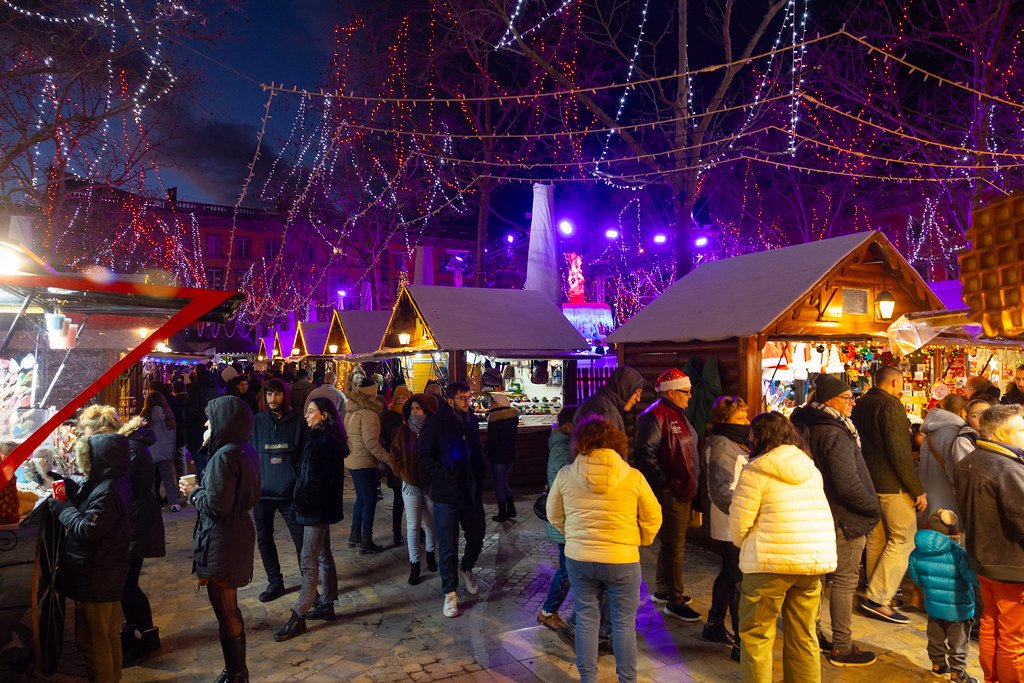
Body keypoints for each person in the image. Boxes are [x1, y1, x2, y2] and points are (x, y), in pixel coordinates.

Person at [547, 416, 662, 683]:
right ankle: (627, 680)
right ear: (617, 443)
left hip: (580, 558)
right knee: (623, 624)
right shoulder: (633, 477)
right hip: (622, 560)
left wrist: (573, 535)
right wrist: (639, 539)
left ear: (579, 443)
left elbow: (553, 514)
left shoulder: (566, 475)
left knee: (587, 620)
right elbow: (653, 516)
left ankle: (588, 679)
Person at [730, 412, 837, 683]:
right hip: (810, 565)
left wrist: (746, 544)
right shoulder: (810, 469)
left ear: (758, 438)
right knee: (803, 635)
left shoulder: (755, 471)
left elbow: (739, 524)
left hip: (768, 565)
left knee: (756, 636)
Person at [790, 375, 881, 667]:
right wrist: (872, 507)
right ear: (829, 401)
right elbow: (847, 483)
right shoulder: (833, 431)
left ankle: (812, 636)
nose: (852, 402)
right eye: (846, 398)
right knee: (843, 581)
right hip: (843, 517)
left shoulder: (808, 425)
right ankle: (841, 646)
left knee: (817, 580)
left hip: (820, 513)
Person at [179, 395, 260, 683]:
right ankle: (236, 671)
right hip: (237, 532)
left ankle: (236, 673)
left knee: (225, 609)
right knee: (229, 607)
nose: (205, 424)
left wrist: (194, 491)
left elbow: (217, 506)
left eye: (209, 419)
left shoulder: (224, 455)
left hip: (224, 539)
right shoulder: (244, 450)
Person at [77, 404, 166, 664]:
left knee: (127, 584)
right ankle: (136, 633)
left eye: (89, 436)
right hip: (134, 522)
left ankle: (146, 639)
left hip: (136, 525)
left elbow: (127, 491)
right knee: (127, 584)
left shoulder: (130, 450)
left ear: (104, 431)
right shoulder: (127, 447)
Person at [51, 433, 133, 683]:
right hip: (108, 572)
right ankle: (113, 677)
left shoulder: (108, 489)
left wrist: (64, 510)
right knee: (107, 635)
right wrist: (70, 486)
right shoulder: (114, 480)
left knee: (93, 641)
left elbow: (89, 529)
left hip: (96, 574)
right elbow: (94, 505)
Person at [954, 404, 1024, 683]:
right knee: (1013, 638)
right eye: (1020, 430)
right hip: (1011, 565)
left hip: (983, 560)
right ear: (1000, 434)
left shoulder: (969, 461)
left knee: (991, 625)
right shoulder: (1006, 468)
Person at [851, 365, 924, 624]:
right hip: (891, 484)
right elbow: (900, 452)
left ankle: (877, 590)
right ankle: (878, 598)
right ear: (894, 383)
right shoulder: (891, 406)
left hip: (869, 481)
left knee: (877, 539)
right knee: (904, 538)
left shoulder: (861, 404)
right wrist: (917, 489)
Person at [274, 397, 348, 641]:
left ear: (324, 415)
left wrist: (301, 504)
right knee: (323, 554)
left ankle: (298, 614)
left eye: (311, 411)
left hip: (314, 509)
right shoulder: (323, 438)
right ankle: (327, 604)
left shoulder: (323, 442)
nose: (306, 415)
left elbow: (314, 481)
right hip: (320, 507)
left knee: (309, 560)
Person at [633, 368, 701, 622]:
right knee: (676, 546)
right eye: (686, 392)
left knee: (673, 543)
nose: (690, 396)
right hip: (671, 490)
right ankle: (674, 599)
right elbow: (645, 454)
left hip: (680, 487)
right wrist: (666, 483)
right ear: (671, 392)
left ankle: (664, 589)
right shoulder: (655, 416)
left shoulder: (676, 413)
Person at [417, 381, 487, 618]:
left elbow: (476, 450)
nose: (468, 402)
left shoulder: (471, 421)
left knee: (477, 535)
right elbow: (424, 456)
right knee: (448, 544)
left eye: (469, 397)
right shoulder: (435, 424)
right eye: (463, 398)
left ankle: (467, 567)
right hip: (447, 492)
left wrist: (480, 471)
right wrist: (442, 473)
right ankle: (450, 592)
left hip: (471, 489)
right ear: (450, 401)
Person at [703, 395, 750, 662]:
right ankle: (741, 643)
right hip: (731, 521)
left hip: (735, 519)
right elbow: (722, 489)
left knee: (729, 575)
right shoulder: (722, 444)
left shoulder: (733, 441)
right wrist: (744, 512)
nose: (746, 421)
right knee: (739, 580)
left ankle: (714, 624)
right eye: (740, 417)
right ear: (725, 419)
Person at [251, 378, 306, 602]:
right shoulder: (257, 421)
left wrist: (298, 483)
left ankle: (309, 581)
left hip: (289, 493)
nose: (273, 398)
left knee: (301, 540)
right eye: (269, 394)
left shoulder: (298, 421)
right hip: (262, 494)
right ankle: (275, 582)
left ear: (285, 395)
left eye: (277, 394)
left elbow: (303, 456)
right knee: (264, 539)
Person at [908, 509, 979, 683]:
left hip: (933, 606)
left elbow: (916, 578)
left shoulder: (916, 553)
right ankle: (957, 675)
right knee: (959, 642)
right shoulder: (958, 554)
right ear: (954, 532)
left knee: (935, 638)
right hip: (958, 609)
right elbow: (972, 578)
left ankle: (938, 666)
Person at [390, 393, 440, 585]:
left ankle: (430, 554)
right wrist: (403, 472)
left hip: (429, 484)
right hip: (410, 485)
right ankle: (415, 564)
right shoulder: (404, 430)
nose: (415, 411)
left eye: (419, 408)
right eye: (413, 408)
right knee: (412, 525)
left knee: (430, 523)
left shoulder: (433, 430)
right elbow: (394, 454)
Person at [537, 405, 578, 633]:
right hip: (565, 519)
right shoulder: (563, 448)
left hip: (566, 517)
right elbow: (567, 484)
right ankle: (548, 611)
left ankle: (550, 611)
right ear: (570, 426)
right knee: (567, 569)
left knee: (569, 568)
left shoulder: (562, 445)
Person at [344, 377, 390, 554]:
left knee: (361, 498)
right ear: (371, 395)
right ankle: (366, 540)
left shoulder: (351, 410)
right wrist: (388, 459)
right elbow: (372, 443)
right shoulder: (370, 414)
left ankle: (355, 536)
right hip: (364, 463)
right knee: (369, 499)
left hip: (352, 461)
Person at [918, 394, 968, 519]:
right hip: (947, 498)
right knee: (947, 533)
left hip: (928, 491)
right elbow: (953, 470)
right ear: (961, 411)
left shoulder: (930, 431)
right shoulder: (953, 432)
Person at [381, 385, 411, 546]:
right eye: (398, 398)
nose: (400, 401)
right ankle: (397, 532)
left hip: (412, 464)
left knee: (414, 500)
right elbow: (390, 435)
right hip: (398, 463)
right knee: (399, 500)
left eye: (403, 398)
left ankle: (416, 530)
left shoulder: (413, 413)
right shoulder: (390, 415)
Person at [141, 391, 181, 512]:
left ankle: (152, 504)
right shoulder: (168, 415)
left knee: (151, 481)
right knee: (168, 479)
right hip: (165, 453)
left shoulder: (145, 416)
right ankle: (174, 503)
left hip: (150, 453)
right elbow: (173, 436)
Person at [574, 367, 644, 432]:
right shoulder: (606, 412)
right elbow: (607, 445)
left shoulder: (599, 402)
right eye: (636, 393)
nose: (638, 399)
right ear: (624, 388)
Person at [485, 392, 520, 522]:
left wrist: (487, 449)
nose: (491, 404)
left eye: (493, 402)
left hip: (498, 456)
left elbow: (493, 440)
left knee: (498, 483)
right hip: (510, 455)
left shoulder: (495, 419)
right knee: (503, 481)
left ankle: (503, 512)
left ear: (498, 404)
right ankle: (511, 508)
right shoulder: (513, 418)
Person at [186, 363, 224, 481]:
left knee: (200, 461)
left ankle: (204, 489)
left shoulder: (196, 387)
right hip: (216, 426)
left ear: (196, 373)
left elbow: (192, 409)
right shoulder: (217, 387)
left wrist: (187, 425)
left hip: (198, 428)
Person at [951, 398, 990, 468]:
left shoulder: (998, 434)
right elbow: (969, 470)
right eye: (974, 416)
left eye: (986, 413)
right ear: (967, 418)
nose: (981, 418)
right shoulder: (964, 441)